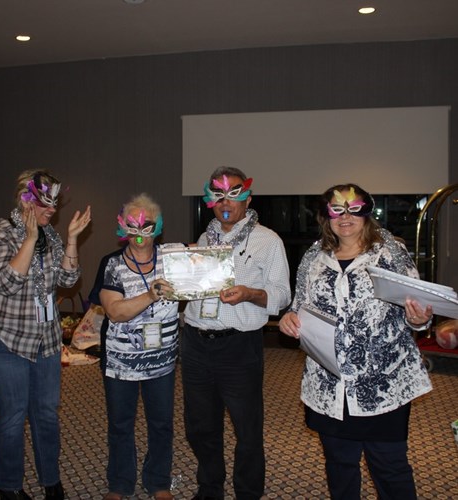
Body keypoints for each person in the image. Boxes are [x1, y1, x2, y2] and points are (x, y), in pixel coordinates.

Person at [279, 183, 433, 500]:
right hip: (329, 383)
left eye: (354, 209)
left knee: (389, 467)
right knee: (339, 464)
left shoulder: (390, 253)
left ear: (367, 213)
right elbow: (300, 306)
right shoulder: (314, 257)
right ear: (326, 216)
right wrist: (289, 318)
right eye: (337, 210)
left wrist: (419, 319)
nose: (345, 217)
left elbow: (417, 309)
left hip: (382, 383)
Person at [0, 170, 91, 500]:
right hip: (4, 338)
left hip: (45, 340)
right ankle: (9, 486)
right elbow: (7, 283)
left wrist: (71, 239)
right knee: (13, 415)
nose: (52, 209)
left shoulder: (50, 236)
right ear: (25, 200)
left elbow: (68, 280)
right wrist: (28, 238)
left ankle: (50, 480)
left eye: (55, 202)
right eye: (45, 202)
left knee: (46, 414)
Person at [182, 167, 291, 500]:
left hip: (239, 346)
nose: (225, 202)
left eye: (234, 194)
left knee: (247, 428)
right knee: (200, 426)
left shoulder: (268, 240)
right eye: (218, 196)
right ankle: (210, 488)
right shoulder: (205, 240)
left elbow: (282, 294)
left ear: (248, 199)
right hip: (196, 343)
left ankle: (248, 492)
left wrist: (249, 293)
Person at [97, 194, 179, 500]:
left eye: (147, 225)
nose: (140, 232)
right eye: (132, 225)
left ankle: (158, 481)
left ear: (159, 226)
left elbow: (206, 269)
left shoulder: (173, 258)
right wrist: (150, 295)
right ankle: (120, 483)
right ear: (122, 227)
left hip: (162, 359)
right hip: (122, 361)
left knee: (161, 423)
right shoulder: (112, 264)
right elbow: (115, 311)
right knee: (120, 424)